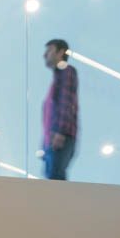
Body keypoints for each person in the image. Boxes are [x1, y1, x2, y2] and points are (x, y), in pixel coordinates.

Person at [40, 38, 79, 180]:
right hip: (52, 141)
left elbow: (66, 102)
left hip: (59, 138)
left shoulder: (67, 72)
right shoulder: (57, 78)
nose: (45, 55)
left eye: (49, 50)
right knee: (52, 183)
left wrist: (60, 133)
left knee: (55, 184)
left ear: (61, 52)